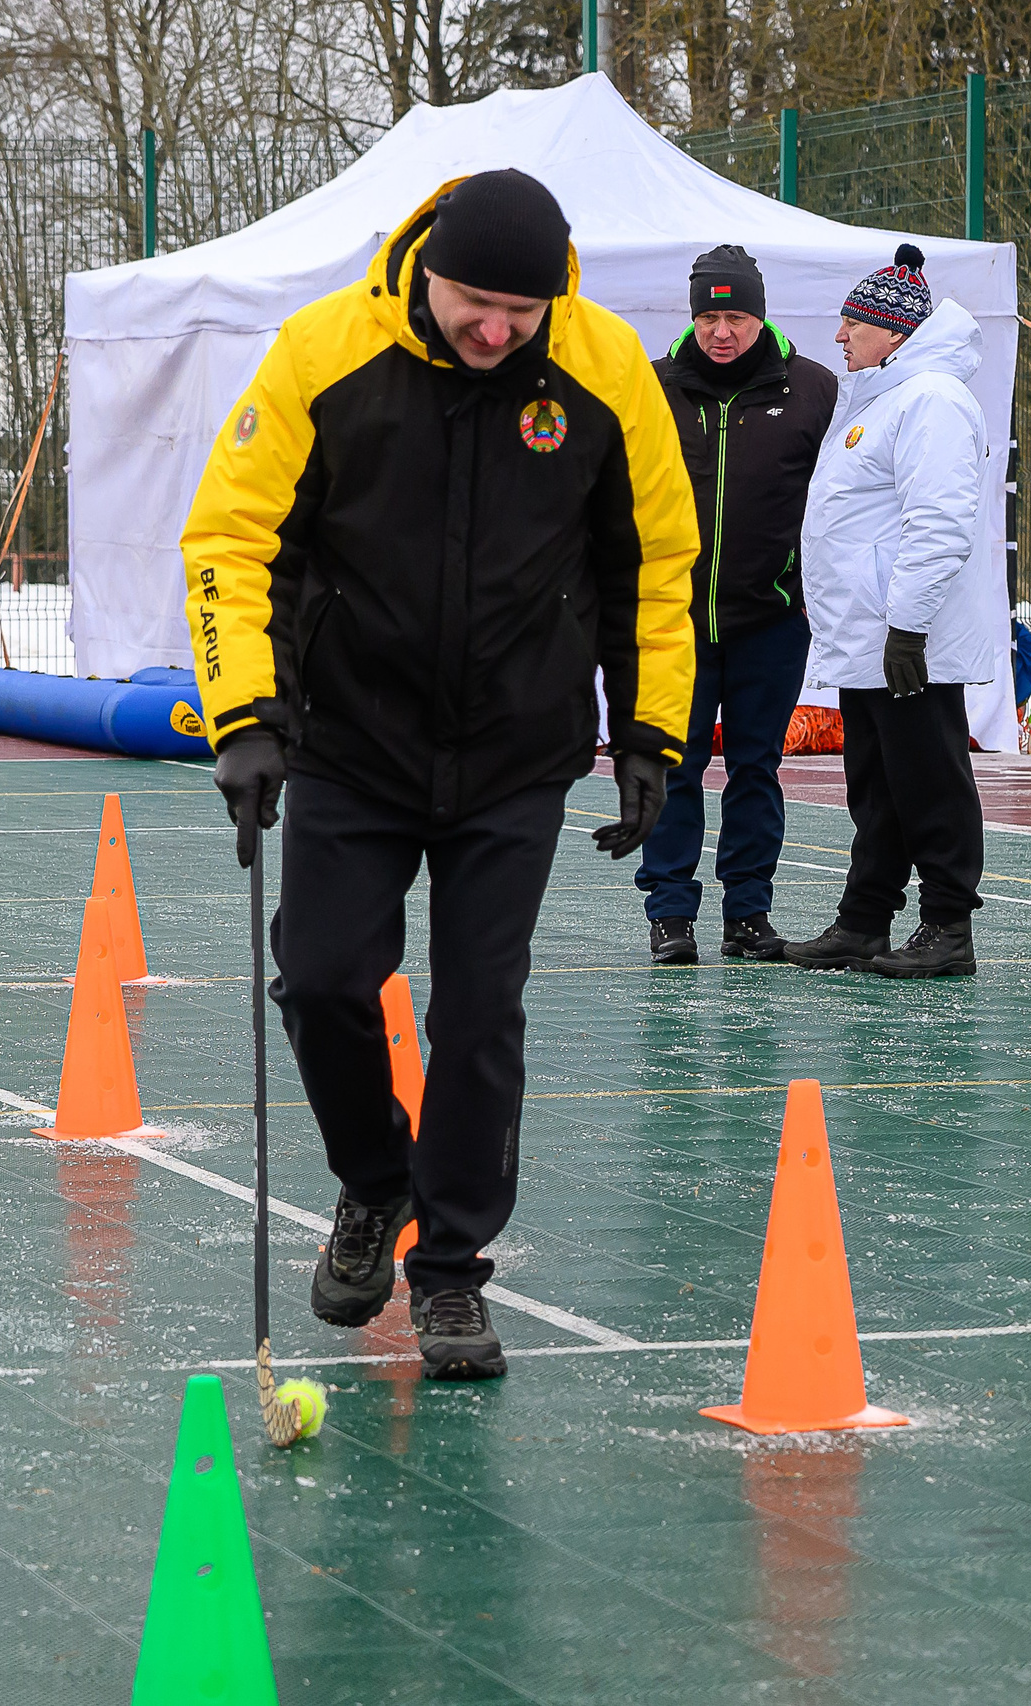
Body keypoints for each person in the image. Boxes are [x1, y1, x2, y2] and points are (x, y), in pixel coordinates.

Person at [182, 169, 698, 1381]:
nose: (498, 330)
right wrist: (244, 717)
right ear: (430, 272)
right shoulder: (323, 352)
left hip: (515, 750)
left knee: (478, 1010)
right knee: (321, 979)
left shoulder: (605, 370)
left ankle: (453, 1266)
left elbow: (652, 561)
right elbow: (234, 538)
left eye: (522, 311)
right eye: (478, 304)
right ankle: (375, 1182)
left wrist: (650, 734)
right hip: (352, 740)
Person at [782, 245, 992, 979]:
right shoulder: (882, 398)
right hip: (874, 637)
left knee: (930, 781)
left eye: (854, 323)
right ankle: (864, 920)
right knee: (877, 786)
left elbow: (938, 522)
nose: (839, 336)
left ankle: (948, 927)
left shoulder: (931, 399)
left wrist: (908, 627)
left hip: (909, 640)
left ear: (895, 332)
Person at [634, 245, 837, 965]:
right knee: (675, 767)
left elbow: (840, 502)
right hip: (673, 624)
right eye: (709, 318)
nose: (722, 332)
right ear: (692, 318)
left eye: (737, 318)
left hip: (772, 621)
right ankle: (670, 915)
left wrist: (813, 594)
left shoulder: (812, 389)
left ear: (761, 316)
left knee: (756, 769)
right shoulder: (651, 386)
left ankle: (748, 914)